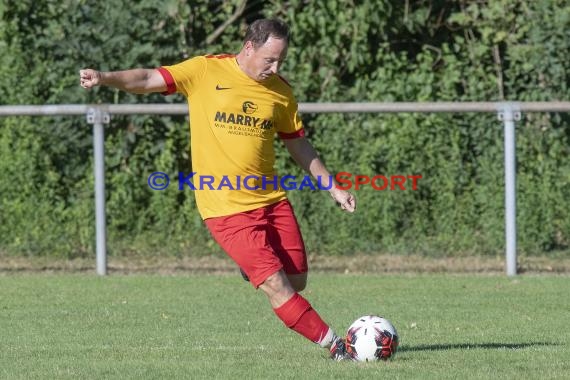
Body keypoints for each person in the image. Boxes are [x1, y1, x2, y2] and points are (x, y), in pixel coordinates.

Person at [80, 18, 356, 360]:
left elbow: (298, 145)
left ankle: (249, 267)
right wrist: (105, 78)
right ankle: (336, 346)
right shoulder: (205, 71)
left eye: (281, 60)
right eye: (270, 59)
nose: (275, 67)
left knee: (296, 279)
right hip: (225, 207)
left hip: (271, 199)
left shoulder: (280, 91)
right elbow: (149, 78)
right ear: (250, 47)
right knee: (276, 284)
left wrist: (333, 188)